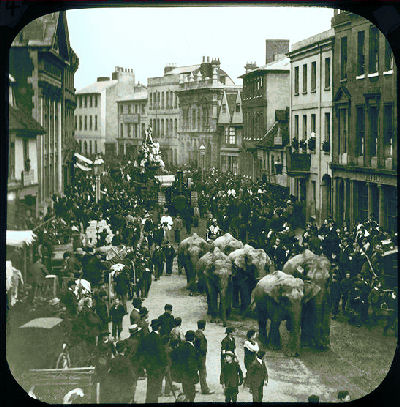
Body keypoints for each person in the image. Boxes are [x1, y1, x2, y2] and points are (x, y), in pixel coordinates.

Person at [138, 319, 167, 403]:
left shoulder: (147, 337)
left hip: (149, 366)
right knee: (155, 386)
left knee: (150, 385)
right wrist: (165, 364)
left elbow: (142, 351)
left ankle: (148, 400)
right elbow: (161, 353)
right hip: (157, 367)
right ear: (159, 327)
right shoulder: (158, 338)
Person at [172, 330, 199, 402]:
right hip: (190, 374)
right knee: (191, 394)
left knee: (185, 392)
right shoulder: (191, 348)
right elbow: (192, 364)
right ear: (194, 338)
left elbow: (174, 356)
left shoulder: (181, 346)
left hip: (183, 374)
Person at [194, 320, 214, 395]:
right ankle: (205, 389)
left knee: (194, 371)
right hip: (201, 358)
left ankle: (192, 387)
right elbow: (202, 349)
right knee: (202, 373)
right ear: (203, 326)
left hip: (195, 357)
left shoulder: (195, 334)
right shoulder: (201, 336)